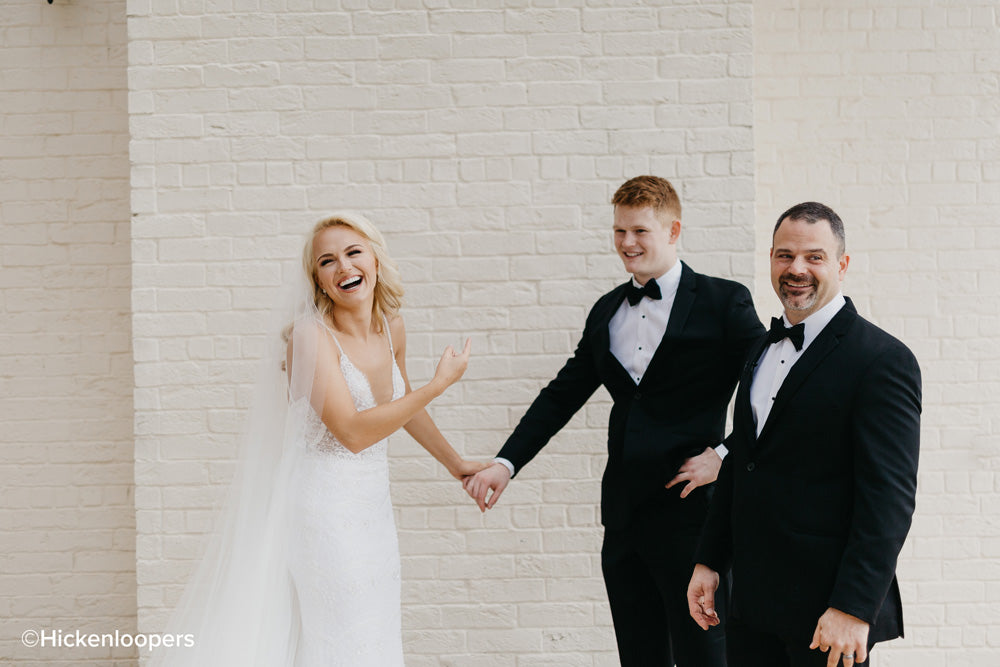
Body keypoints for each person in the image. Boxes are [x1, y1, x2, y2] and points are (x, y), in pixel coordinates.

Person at [152, 212, 486, 666]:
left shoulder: (392, 326)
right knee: (340, 633)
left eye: (353, 252)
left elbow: (403, 404)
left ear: (375, 259)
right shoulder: (310, 337)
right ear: (318, 281)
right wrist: (439, 384)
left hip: (372, 509)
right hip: (322, 511)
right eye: (327, 261)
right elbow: (351, 432)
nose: (344, 267)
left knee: (375, 625)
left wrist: (456, 463)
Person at [464, 175, 765, 666]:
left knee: (705, 657)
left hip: (694, 518)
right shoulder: (606, 311)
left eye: (640, 231)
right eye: (620, 231)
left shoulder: (723, 301)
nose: (627, 243)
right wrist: (505, 463)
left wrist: (725, 456)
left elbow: (769, 388)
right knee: (639, 657)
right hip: (625, 520)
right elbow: (561, 395)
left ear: (673, 231)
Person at [686, 202, 921, 667]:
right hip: (751, 603)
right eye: (784, 255)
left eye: (814, 256)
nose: (797, 269)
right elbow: (742, 462)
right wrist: (709, 561)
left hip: (827, 611)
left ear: (842, 265)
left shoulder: (881, 360)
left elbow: (889, 498)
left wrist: (854, 607)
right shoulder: (759, 349)